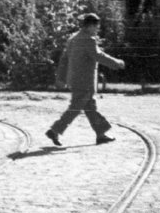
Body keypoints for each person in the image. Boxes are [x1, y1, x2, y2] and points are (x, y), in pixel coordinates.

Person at [46, 12, 125, 146]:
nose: (97, 30)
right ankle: (55, 130)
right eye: (96, 27)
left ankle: (101, 134)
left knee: (90, 107)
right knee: (76, 107)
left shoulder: (73, 38)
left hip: (75, 79)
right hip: (85, 81)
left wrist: (61, 77)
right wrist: (117, 63)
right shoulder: (88, 39)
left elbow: (64, 59)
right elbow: (99, 56)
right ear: (91, 25)